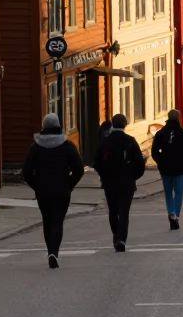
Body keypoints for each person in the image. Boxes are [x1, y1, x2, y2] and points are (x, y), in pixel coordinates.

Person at [22, 113, 84, 268]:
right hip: (62, 190)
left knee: (47, 220)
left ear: (44, 127)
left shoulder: (35, 147)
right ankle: (54, 252)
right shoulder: (67, 146)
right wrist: (69, 184)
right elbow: (79, 169)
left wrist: (36, 186)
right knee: (57, 221)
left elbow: (27, 171)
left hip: (43, 191)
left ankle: (50, 249)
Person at [92, 112, 145, 252]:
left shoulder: (106, 142)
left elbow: (96, 162)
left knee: (113, 209)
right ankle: (121, 238)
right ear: (125, 125)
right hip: (126, 182)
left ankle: (116, 234)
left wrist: (103, 175)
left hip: (109, 182)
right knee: (124, 210)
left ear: (113, 124)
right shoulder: (130, 141)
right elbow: (139, 163)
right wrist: (134, 176)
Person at [151, 109, 183, 229]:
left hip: (165, 169)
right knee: (179, 193)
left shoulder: (161, 133)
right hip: (180, 168)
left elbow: (154, 151)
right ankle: (176, 216)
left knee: (168, 193)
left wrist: (160, 162)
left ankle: (171, 213)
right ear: (178, 119)